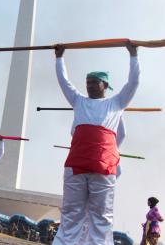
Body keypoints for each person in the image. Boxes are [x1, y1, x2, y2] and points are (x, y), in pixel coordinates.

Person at [53, 43, 139, 245]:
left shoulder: (117, 103)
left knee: (101, 217)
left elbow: (133, 83)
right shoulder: (78, 101)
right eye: (87, 82)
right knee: (71, 214)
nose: (89, 85)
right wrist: (59, 58)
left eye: (94, 82)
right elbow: (64, 82)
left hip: (104, 167)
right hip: (76, 165)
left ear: (104, 85)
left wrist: (133, 55)